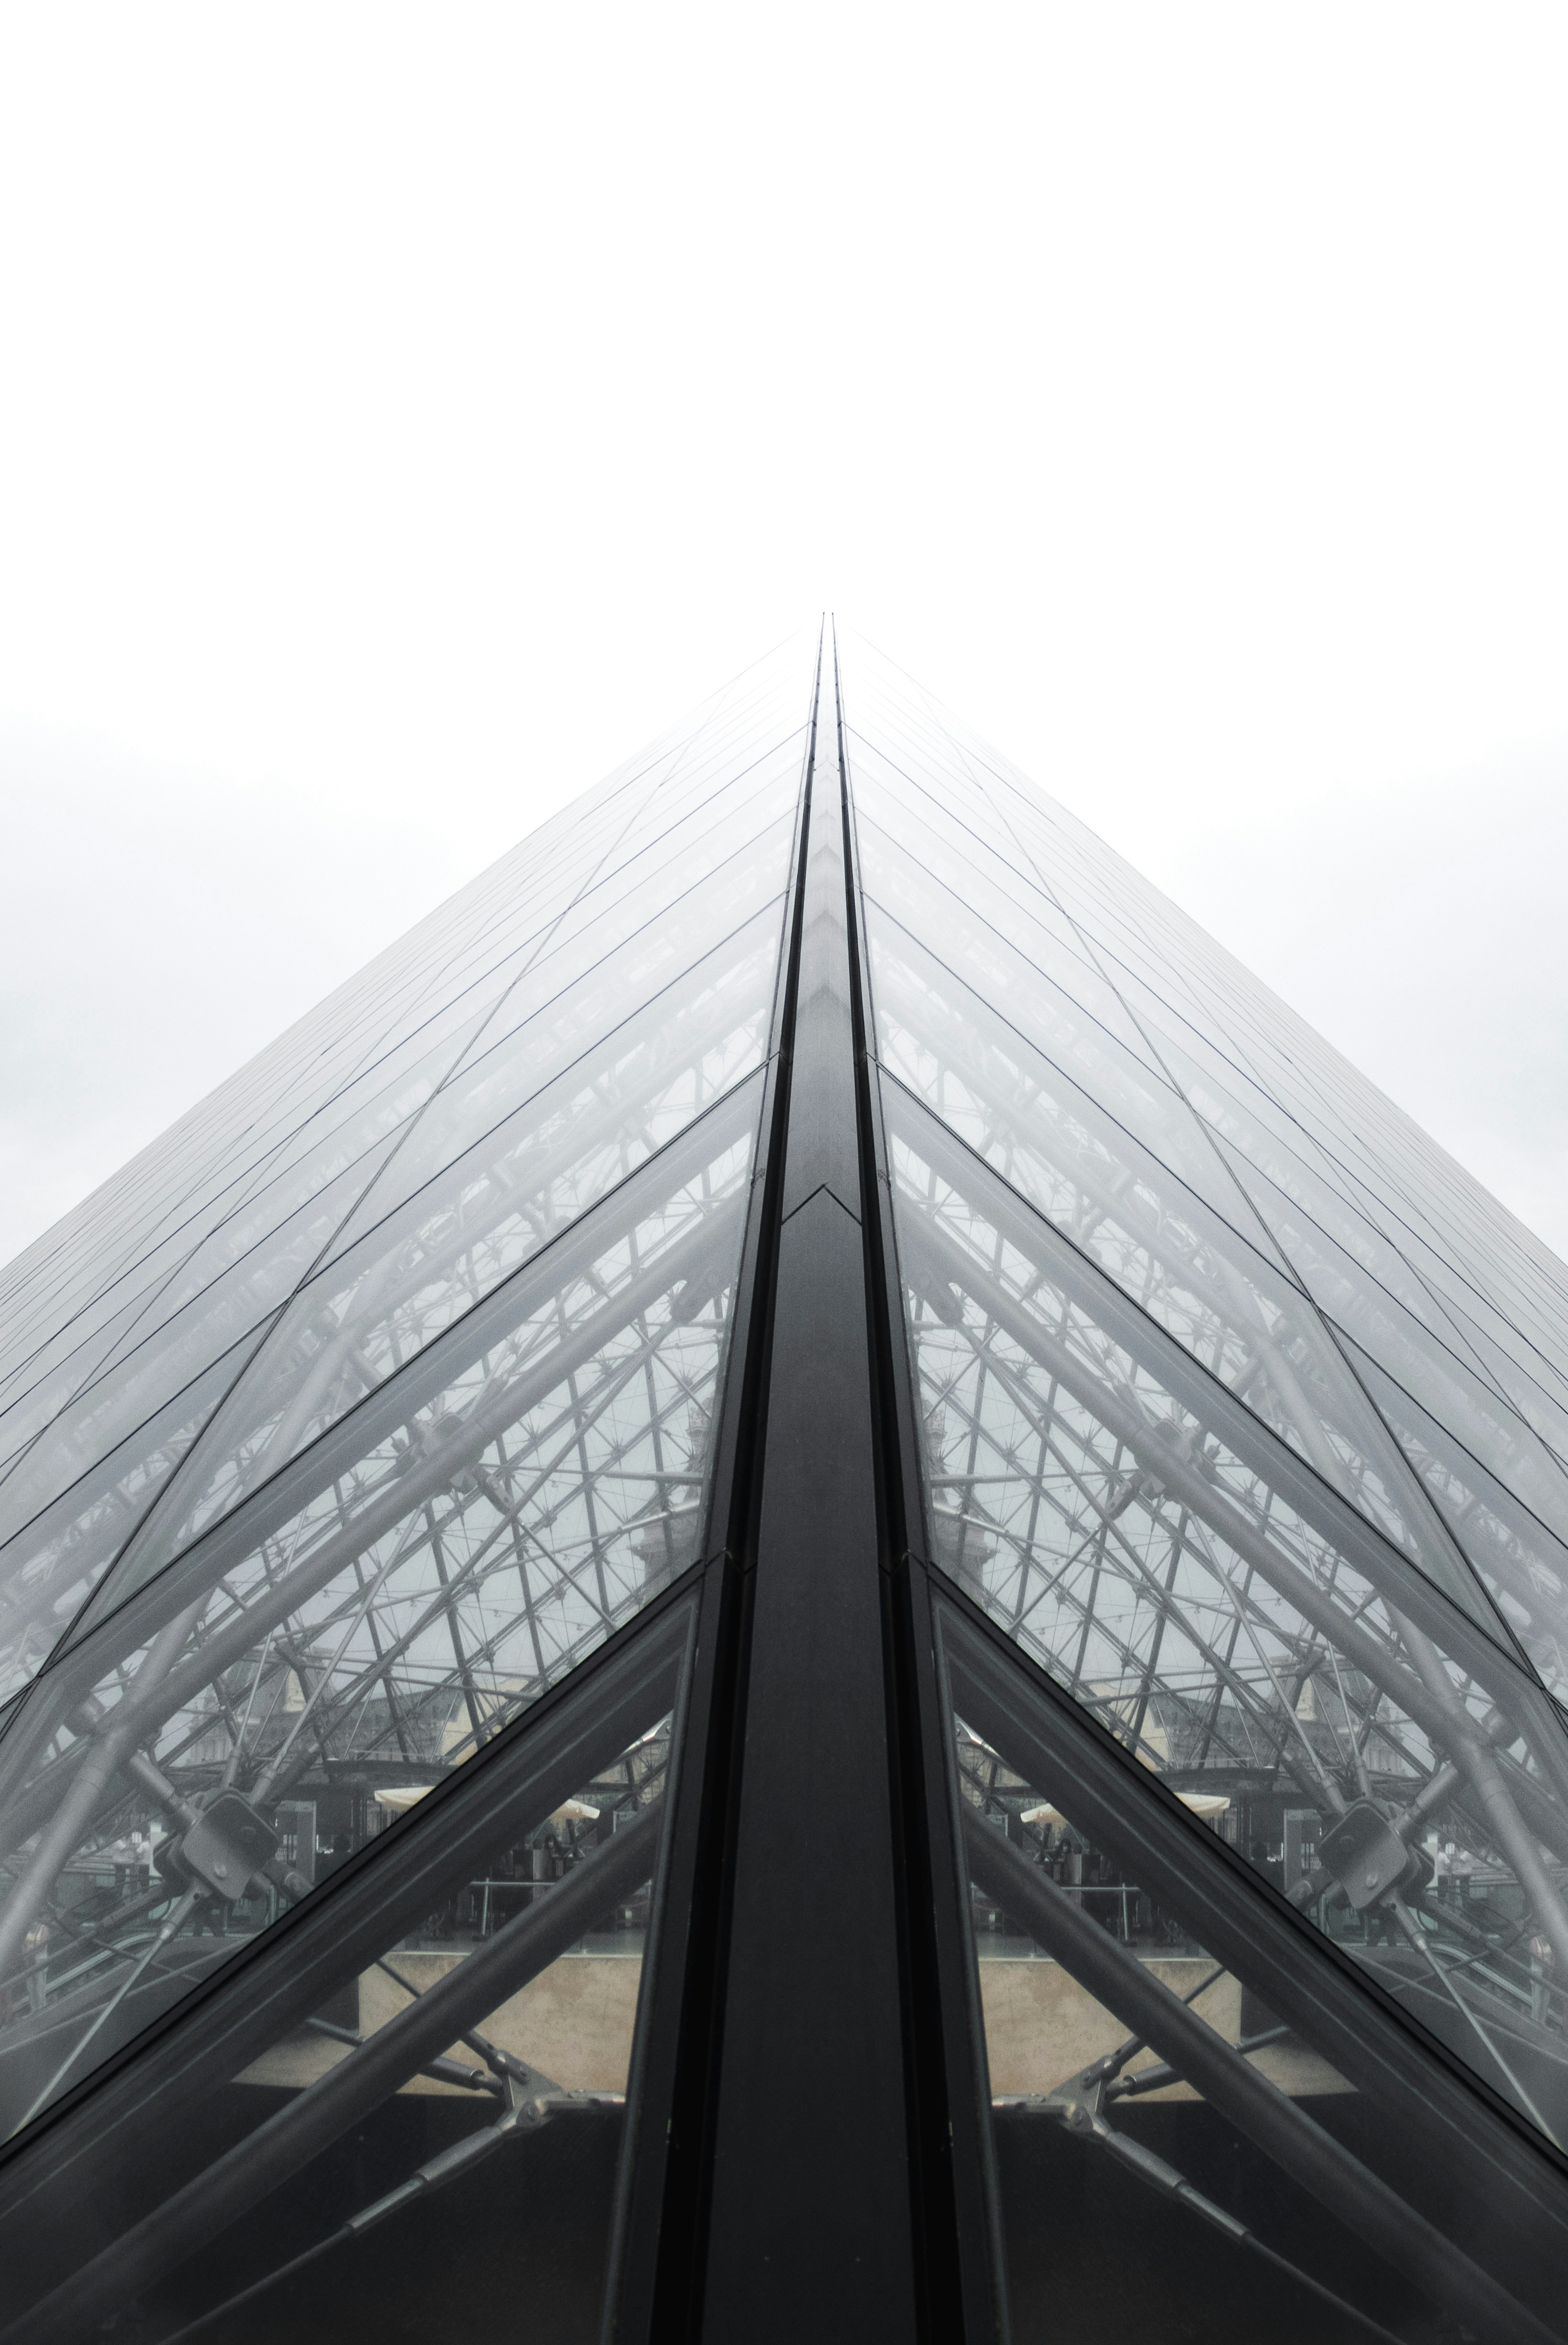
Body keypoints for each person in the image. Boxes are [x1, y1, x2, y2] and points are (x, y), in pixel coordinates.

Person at [109, 1831, 135, 1905]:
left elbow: (126, 1850)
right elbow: (124, 1849)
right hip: (119, 1863)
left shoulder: (121, 1841)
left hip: (122, 1863)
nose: (125, 1837)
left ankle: (118, 1899)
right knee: (120, 1881)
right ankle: (117, 1900)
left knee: (121, 1881)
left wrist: (130, 1842)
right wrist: (134, 1846)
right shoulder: (118, 1841)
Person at [133, 1830, 153, 1896]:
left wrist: (138, 1859)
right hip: (152, 1866)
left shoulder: (144, 1845)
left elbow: (137, 1854)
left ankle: (144, 1895)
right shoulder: (156, 1844)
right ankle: (148, 1894)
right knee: (150, 1882)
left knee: (143, 1883)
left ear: (147, 1838)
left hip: (144, 1866)